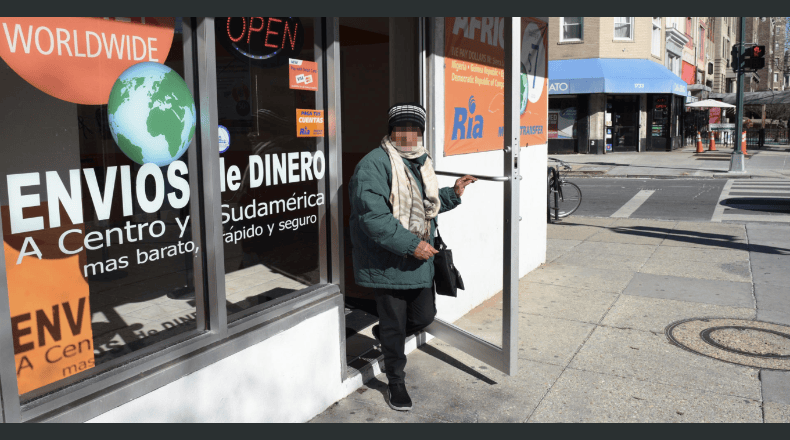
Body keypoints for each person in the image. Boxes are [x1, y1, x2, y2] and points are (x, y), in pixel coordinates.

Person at [348, 102, 477, 411]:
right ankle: (395, 382)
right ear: (391, 131)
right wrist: (411, 245)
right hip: (388, 262)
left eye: (414, 130)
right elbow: (373, 219)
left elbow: (424, 207)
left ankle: (386, 337)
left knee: (423, 317)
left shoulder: (419, 162)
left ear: (419, 133)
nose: (408, 135)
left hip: (419, 260)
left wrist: (452, 194)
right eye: (401, 129)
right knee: (395, 325)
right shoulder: (374, 165)